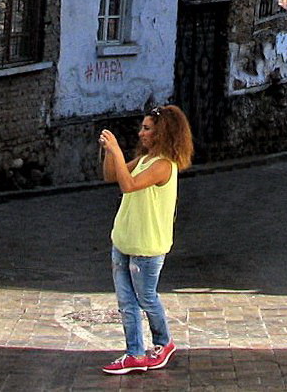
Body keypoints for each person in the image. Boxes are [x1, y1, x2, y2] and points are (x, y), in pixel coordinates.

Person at [98, 104, 194, 376]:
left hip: (147, 247)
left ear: (162, 133)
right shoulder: (145, 160)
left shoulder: (163, 166)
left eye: (147, 128)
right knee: (126, 302)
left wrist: (117, 149)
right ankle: (134, 352)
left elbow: (128, 185)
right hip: (124, 241)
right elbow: (112, 176)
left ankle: (164, 342)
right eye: (142, 127)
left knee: (146, 298)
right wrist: (110, 152)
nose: (141, 133)